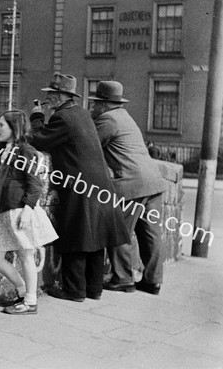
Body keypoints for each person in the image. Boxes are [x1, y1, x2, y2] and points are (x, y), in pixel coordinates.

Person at [28, 73, 129, 302]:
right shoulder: (82, 114)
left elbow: (37, 141)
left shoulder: (62, 118)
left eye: (51, 94)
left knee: (76, 234)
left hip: (80, 185)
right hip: (100, 182)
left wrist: (36, 117)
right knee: (96, 237)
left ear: (62, 96)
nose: (48, 98)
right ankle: (94, 290)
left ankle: (74, 291)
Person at [89, 81, 166, 295]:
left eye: (95, 104)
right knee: (150, 234)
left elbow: (89, 145)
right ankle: (153, 281)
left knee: (118, 228)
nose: (93, 107)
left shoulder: (108, 119)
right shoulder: (125, 116)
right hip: (154, 181)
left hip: (132, 183)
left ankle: (123, 277)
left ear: (104, 104)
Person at [0, 110, 45, 315]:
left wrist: (28, 210)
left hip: (19, 209)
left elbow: (36, 184)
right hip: (4, 209)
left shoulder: (26, 151)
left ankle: (30, 302)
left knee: (26, 255)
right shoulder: (7, 147)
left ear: (14, 128)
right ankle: (23, 291)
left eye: (1, 125)